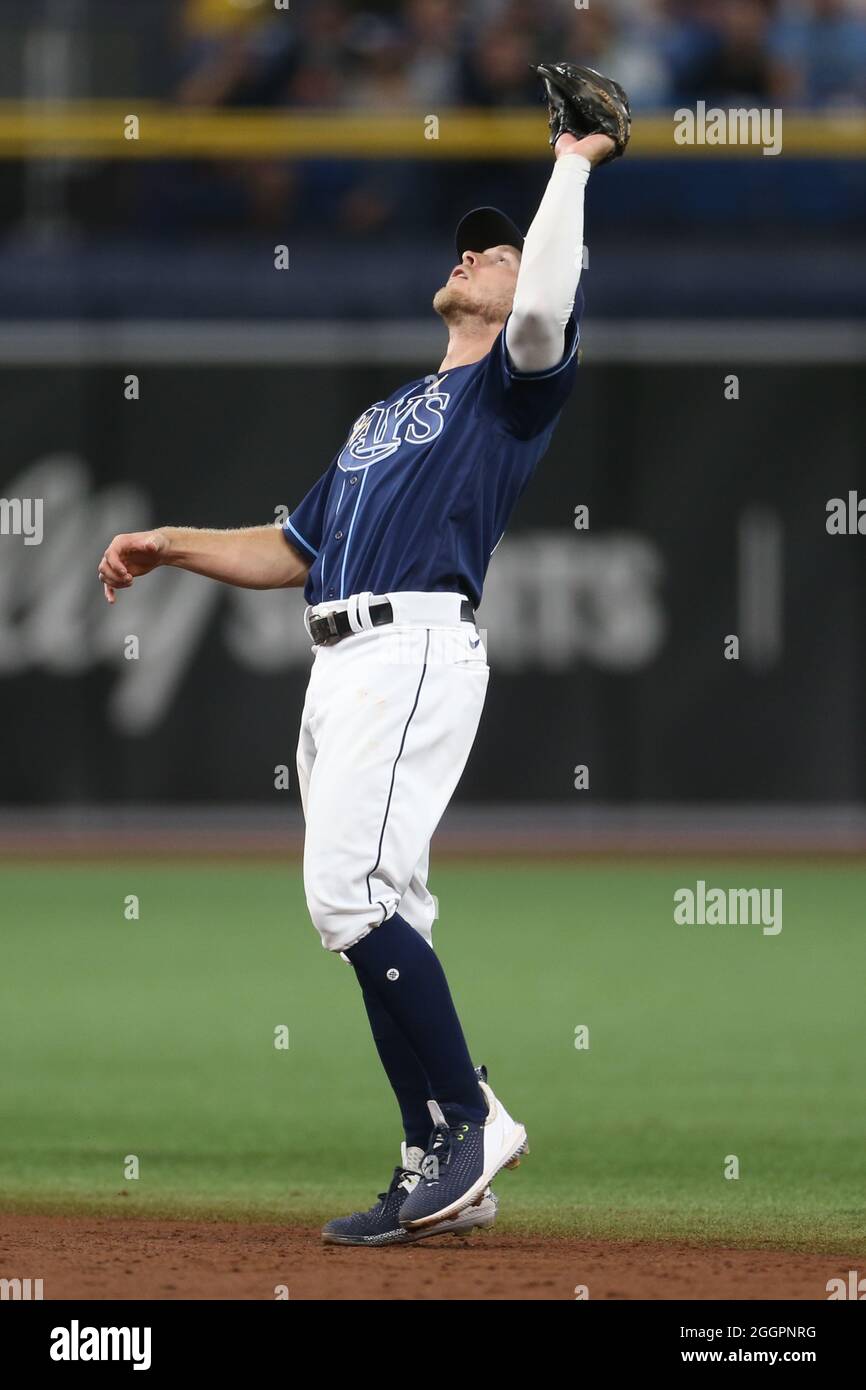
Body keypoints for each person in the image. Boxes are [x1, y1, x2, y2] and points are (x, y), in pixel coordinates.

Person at [97, 70, 628, 1248]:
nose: (476, 260)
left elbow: (542, 307)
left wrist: (569, 167)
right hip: (339, 660)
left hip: (415, 645)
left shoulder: (512, 386)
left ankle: (468, 1125)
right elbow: (293, 548)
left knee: (348, 893)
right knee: (382, 905)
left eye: (494, 256)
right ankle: (442, 1151)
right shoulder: (382, 416)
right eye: (472, 250)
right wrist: (169, 542)